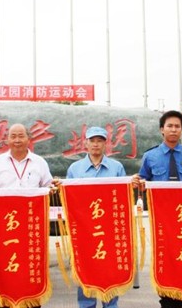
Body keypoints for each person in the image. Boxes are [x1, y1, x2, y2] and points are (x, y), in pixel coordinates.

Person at [135, 110, 182, 308]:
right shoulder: (150, 156)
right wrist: (139, 184)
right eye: (169, 126)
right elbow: (142, 182)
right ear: (161, 130)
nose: (173, 130)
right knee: (164, 258)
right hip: (162, 218)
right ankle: (166, 299)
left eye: (177, 126)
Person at [0, 123, 55, 308]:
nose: (17, 140)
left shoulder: (39, 162)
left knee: (31, 267)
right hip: (4, 228)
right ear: (6, 140)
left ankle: (32, 303)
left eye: (21, 136)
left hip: (31, 228)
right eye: (13, 136)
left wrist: (53, 187)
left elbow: (48, 186)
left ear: (29, 139)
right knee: (4, 267)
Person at [67, 126, 126, 308]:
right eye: (92, 140)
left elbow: (123, 197)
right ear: (85, 143)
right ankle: (86, 304)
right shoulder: (75, 168)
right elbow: (69, 198)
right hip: (84, 230)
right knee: (85, 270)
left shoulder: (116, 167)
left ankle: (111, 305)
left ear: (106, 144)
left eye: (99, 141)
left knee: (110, 270)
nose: (95, 144)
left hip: (109, 230)